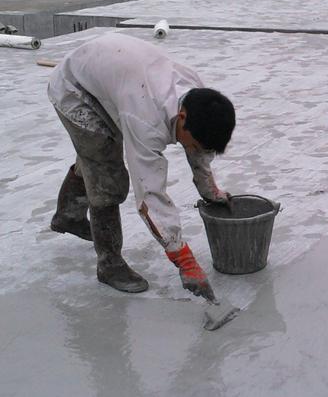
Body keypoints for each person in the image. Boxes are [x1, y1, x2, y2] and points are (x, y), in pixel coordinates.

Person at [48, 33, 236, 302]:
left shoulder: (197, 94)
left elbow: (198, 148)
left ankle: (68, 216)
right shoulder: (145, 120)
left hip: (110, 74)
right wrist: (182, 258)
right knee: (107, 176)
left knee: (94, 157)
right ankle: (109, 265)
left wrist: (210, 189)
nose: (194, 149)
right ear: (181, 118)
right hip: (75, 91)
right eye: (194, 144)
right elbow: (150, 195)